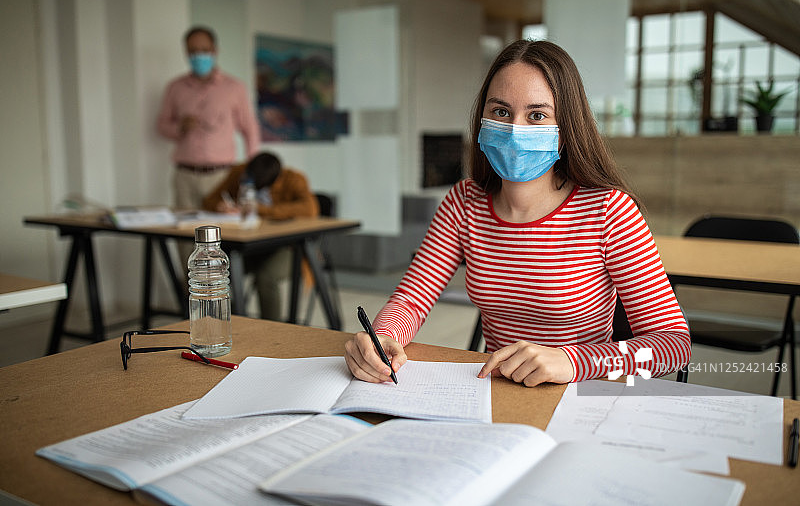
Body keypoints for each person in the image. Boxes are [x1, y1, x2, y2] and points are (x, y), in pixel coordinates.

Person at [344, 40, 691, 387]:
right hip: (496, 392)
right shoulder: (463, 202)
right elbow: (411, 299)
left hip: (580, 392)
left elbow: (673, 346)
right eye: (500, 112)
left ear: (566, 128)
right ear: (483, 119)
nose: (514, 130)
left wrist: (572, 361)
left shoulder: (609, 210)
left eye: (537, 115)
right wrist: (383, 336)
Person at [203, 152, 319, 320]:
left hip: (286, 247)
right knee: (211, 267)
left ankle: (271, 329)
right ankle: (225, 318)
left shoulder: (294, 179)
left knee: (266, 277)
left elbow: (310, 209)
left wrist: (259, 209)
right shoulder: (239, 172)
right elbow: (209, 200)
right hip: (248, 246)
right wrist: (220, 206)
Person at [157, 26, 260, 213]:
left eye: (204, 50)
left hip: (221, 176)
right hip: (185, 175)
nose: (198, 56)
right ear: (186, 53)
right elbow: (162, 126)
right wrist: (180, 127)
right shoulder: (175, 87)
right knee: (186, 228)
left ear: (214, 50)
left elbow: (250, 129)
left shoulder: (234, 87)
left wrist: (252, 171)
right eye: (193, 51)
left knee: (220, 228)